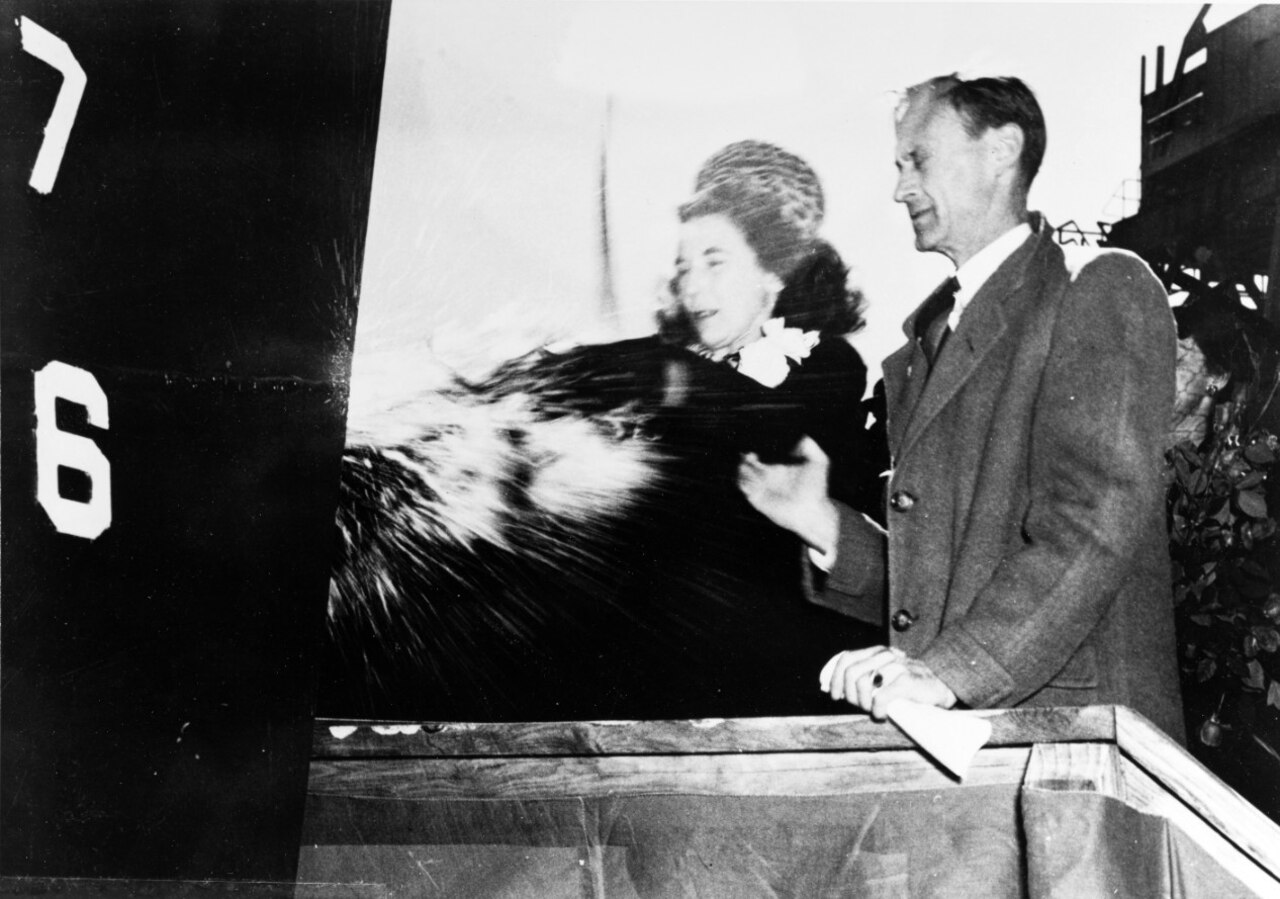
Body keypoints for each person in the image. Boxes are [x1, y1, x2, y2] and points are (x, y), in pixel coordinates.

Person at [740, 75, 1186, 740]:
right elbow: (947, 588)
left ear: (1001, 150)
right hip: (974, 757)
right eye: (897, 166)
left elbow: (1091, 525)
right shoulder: (931, 338)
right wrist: (828, 526)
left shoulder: (1098, 290)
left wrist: (949, 672)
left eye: (916, 159)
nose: (899, 188)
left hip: (1075, 753)